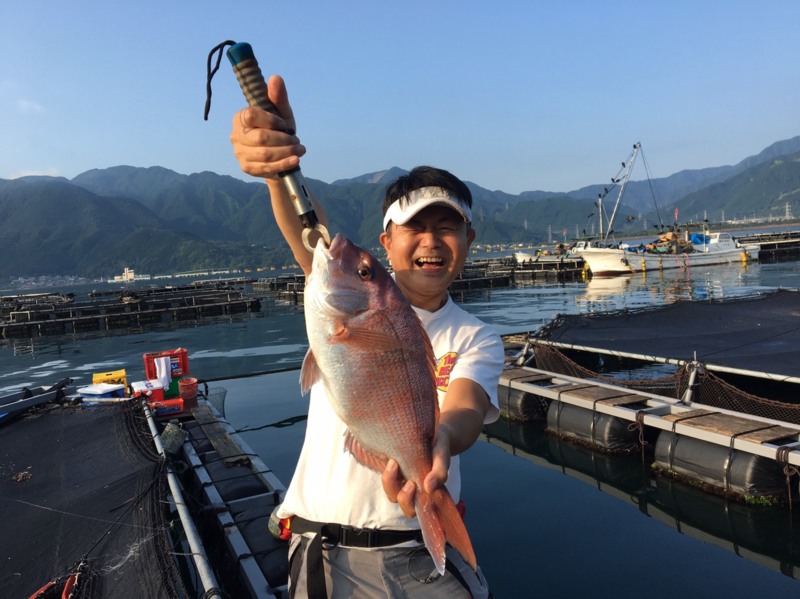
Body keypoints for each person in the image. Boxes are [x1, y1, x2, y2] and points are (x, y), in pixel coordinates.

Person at [230, 74, 504, 599]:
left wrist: (438, 445)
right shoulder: (344, 296)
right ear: (387, 242)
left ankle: (437, 517)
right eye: (414, 228)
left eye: (448, 227)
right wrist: (278, 171)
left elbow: (466, 409)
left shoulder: (476, 336)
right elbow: (306, 228)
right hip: (321, 552)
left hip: (417, 551)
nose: (431, 242)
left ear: (469, 239)